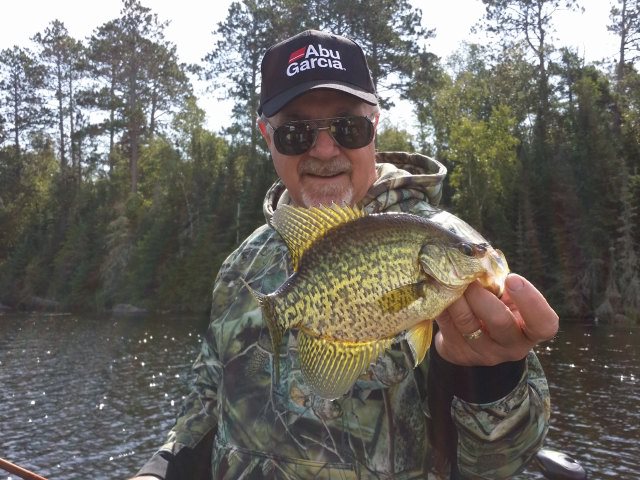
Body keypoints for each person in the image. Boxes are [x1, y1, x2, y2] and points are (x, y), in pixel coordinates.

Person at [132, 29, 558, 480]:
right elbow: (205, 402)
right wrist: (159, 470)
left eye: (347, 127)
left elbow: (499, 464)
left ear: (374, 125)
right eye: (295, 133)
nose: (324, 149)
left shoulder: (451, 242)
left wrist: (491, 376)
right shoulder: (242, 264)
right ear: (267, 136)